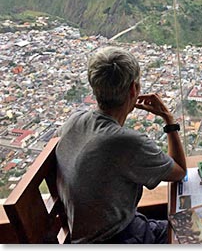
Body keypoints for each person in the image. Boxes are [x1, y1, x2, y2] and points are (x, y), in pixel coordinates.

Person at [55, 47, 187, 243]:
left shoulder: (74, 121)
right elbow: (180, 171)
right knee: (196, 230)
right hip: (119, 238)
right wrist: (169, 120)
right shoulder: (125, 142)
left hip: (88, 237)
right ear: (133, 89)